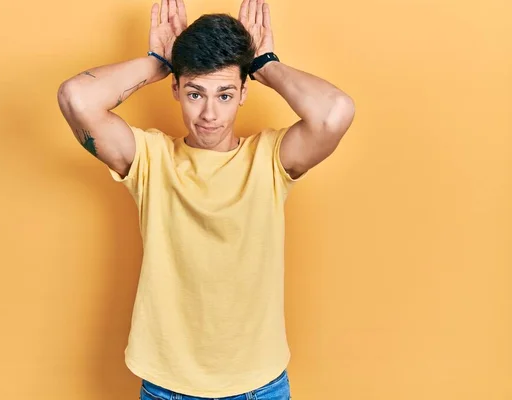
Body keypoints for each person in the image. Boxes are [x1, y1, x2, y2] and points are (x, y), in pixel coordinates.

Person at [57, 0, 355, 398]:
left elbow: (334, 112)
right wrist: (158, 61)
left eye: (226, 95)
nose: (209, 113)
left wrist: (264, 62)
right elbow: (76, 98)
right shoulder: (150, 159)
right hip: (168, 387)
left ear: (244, 92)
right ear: (176, 90)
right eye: (196, 94)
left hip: (258, 386)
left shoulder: (268, 160)